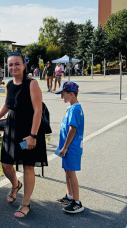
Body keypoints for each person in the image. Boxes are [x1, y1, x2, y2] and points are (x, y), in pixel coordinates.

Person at [0, 52, 47, 218]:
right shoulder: (9, 84)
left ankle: (25, 203)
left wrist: (33, 136)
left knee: (28, 166)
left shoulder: (32, 84)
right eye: (11, 64)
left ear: (24, 65)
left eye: (17, 64)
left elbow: (38, 110)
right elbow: (7, 104)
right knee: (6, 163)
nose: (13, 67)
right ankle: (15, 184)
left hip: (28, 132)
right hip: (12, 129)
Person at [55, 81, 85, 214]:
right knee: (67, 171)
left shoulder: (75, 109)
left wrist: (65, 147)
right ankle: (70, 196)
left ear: (71, 94)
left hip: (71, 148)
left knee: (71, 173)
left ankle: (77, 202)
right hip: (68, 147)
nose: (62, 97)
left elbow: (72, 129)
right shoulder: (71, 107)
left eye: (63, 94)